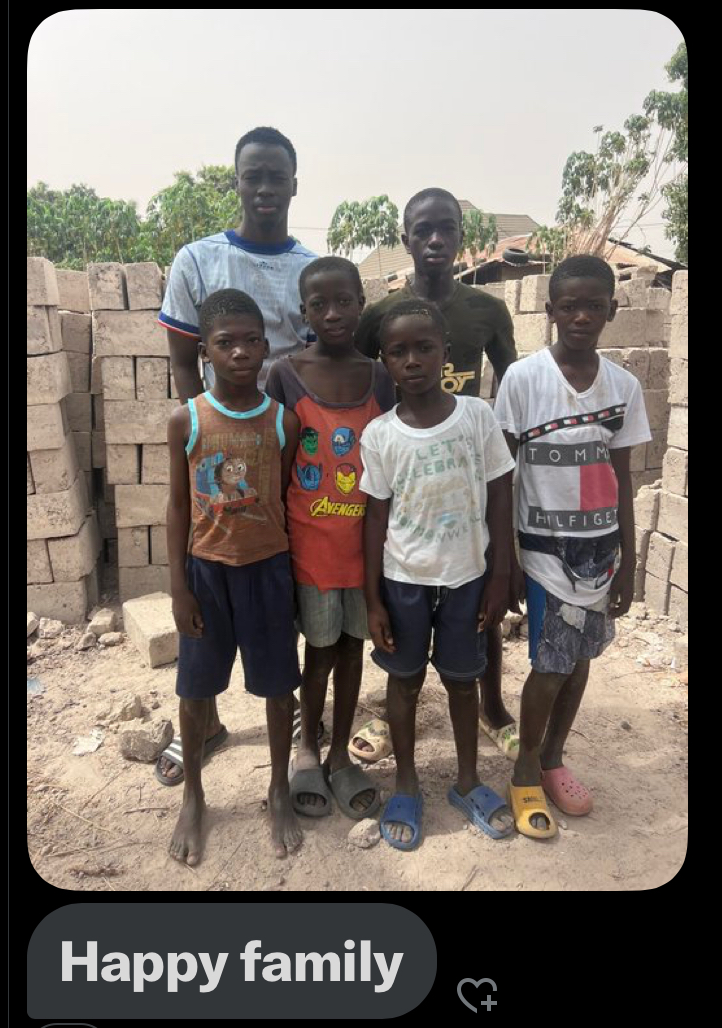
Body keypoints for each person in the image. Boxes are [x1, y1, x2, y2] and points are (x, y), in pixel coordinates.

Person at [156, 126, 317, 785]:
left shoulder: (311, 266)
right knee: (210, 590)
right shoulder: (196, 260)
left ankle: (293, 715)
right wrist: (211, 433)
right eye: (253, 175)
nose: (264, 188)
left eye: (277, 175)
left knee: (280, 580)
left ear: (294, 184)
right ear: (236, 181)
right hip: (219, 442)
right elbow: (180, 354)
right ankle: (206, 721)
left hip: (285, 438)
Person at [352, 187, 520, 763]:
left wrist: (501, 450)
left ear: (460, 236)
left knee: (476, 603)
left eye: (446, 229)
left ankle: (492, 705)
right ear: (405, 239)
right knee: (404, 607)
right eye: (422, 230)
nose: (435, 240)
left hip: (467, 466)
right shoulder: (379, 316)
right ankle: (392, 707)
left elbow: (511, 384)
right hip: (402, 466)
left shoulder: (486, 310)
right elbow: (351, 373)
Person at [493, 255, 651, 839]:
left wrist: (628, 564)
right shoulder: (525, 380)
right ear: (551, 311)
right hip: (543, 552)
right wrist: (504, 558)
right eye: (569, 306)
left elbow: (623, 477)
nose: (581, 316)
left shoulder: (624, 387)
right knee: (550, 664)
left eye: (594, 306)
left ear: (612, 309)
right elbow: (502, 476)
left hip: (600, 554)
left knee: (580, 659)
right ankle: (525, 766)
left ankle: (555, 755)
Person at [361, 298, 517, 850]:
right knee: (403, 681)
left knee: (461, 679)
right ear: (385, 362)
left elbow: (500, 493)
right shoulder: (379, 435)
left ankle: (467, 781)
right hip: (403, 580)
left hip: (467, 577)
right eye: (398, 351)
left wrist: (501, 574)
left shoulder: (476, 418)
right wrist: (373, 599)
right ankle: (406, 782)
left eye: (424, 347)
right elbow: (375, 517)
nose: (412, 360)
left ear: (445, 353)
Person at [166, 288, 302, 865]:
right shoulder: (187, 419)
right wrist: (177, 587)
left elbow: (285, 498)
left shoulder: (283, 422)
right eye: (226, 343)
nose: (240, 352)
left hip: (267, 571)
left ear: (266, 347)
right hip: (208, 573)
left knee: (277, 687)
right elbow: (176, 506)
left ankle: (277, 787)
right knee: (195, 691)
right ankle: (195, 796)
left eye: (251, 341)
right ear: (206, 352)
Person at [265, 257, 396, 820]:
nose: (333, 313)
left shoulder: (380, 376)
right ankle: (308, 749)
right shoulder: (284, 373)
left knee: (350, 649)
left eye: (344, 301)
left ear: (361, 305)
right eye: (319, 304)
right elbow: (275, 465)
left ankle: (342, 754)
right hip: (310, 549)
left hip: (365, 549)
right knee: (316, 650)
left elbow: (393, 460)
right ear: (304, 312)